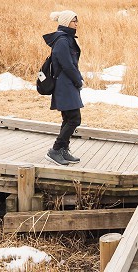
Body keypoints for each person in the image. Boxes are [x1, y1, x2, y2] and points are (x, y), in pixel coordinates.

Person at [43, 10, 84, 166]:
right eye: (74, 21)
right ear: (66, 23)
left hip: (67, 84)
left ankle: (63, 150)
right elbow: (67, 64)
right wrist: (78, 80)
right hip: (64, 85)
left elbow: (70, 64)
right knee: (74, 119)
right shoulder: (62, 41)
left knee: (68, 118)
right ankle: (55, 150)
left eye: (76, 20)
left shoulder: (66, 39)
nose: (76, 23)